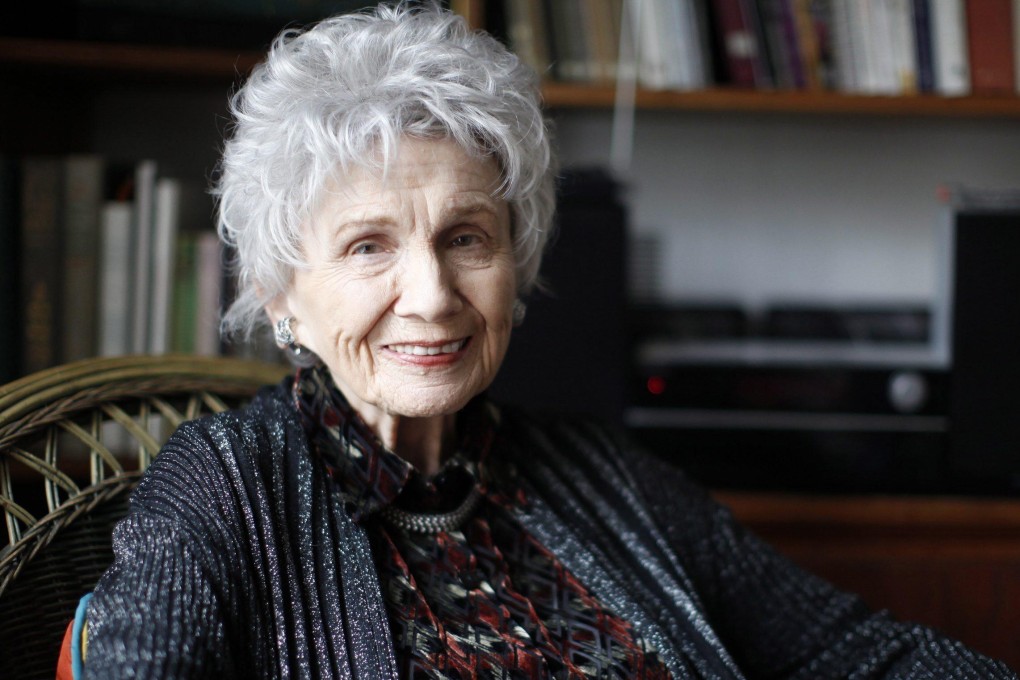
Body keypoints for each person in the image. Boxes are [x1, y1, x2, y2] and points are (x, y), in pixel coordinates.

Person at [73, 3, 1015, 678]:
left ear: (514, 265)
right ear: (282, 294)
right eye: (369, 246)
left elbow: (859, 648)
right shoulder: (227, 484)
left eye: (466, 239)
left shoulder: (598, 472)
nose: (432, 296)